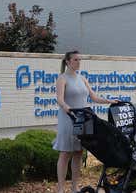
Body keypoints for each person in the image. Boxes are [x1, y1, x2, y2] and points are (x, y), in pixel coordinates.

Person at [53, 50, 118, 193]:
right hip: (68, 119)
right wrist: (67, 108)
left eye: (79, 59)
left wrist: (110, 101)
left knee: (78, 152)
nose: (79, 62)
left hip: (83, 119)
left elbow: (94, 97)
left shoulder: (82, 79)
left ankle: (75, 187)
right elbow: (59, 99)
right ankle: (61, 189)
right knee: (65, 154)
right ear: (68, 62)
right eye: (76, 60)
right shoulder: (62, 78)